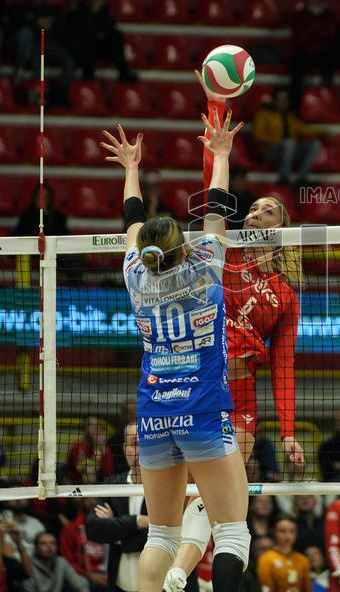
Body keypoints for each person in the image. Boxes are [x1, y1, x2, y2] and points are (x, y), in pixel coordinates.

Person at [102, 107, 251, 592]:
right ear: (182, 247)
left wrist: (130, 169)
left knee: (162, 534)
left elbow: (132, 221)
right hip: (203, 408)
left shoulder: (135, 276)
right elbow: (218, 207)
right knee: (231, 532)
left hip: (153, 412)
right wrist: (220, 153)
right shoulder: (205, 266)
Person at [168, 76, 307, 590]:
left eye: (266, 211)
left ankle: (196, 575)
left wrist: (289, 430)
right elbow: (214, 194)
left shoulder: (288, 294)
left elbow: (286, 364)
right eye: (252, 210)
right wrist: (216, 110)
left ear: (283, 227)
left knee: (226, 498)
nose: (254, 213)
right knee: (183, 496)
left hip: (243, 393)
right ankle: (180, 566)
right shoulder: (221, 258)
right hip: (201, 379)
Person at [86, 422, 149, 592]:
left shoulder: (168, 487)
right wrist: (137, 521)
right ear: (124, 448)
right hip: (119, 587)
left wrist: (118, 534)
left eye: (146, 444)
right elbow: (93, 528)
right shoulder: (112, 484)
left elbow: (165, 536)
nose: (140, 452)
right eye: (135, 444)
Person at [13, 0, 75, 107]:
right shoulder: (21, 9)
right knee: (38, 63)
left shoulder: (53, 9)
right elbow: (19, 25)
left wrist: (40, 23)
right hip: (34, 45)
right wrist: (38, 22)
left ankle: (61, 95)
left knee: (68, 61)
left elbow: (60, 28)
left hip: (50, 43)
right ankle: (39, 97)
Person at [251, 87, 323, 187]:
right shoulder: (264, 114)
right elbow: (258, 135)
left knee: (315, 144)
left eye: (285, 100)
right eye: (279, 100)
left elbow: (303, 130)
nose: (282, 102)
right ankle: (284, 177)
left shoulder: (289, 116)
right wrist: (279, 141)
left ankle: (302, 177)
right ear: (273, 101)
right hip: (270, 150)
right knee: (289, 142)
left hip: (289, 149)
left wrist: (325, 132)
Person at [65, 0, 136, 82]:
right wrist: (92, 14)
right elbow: (79, 30)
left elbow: (109, 28)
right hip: (82, 46)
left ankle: (124, 73)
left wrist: (97, 16)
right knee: (86, 45)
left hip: (100, 45)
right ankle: (88, 78)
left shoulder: (106, 10)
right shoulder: (78, 8)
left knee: (117, 37)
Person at [289, 0, 337, 111]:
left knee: (331, 57)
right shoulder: (299, 17)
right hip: (305, 53)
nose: (313, 1)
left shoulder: (329, 16)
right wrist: (317, 32)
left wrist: (312, 31)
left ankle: (329, 102)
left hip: (323, 53)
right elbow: (300, 37)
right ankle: (295, 108)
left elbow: (331, 34)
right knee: (296, 69)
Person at [257, 516, 311, 592]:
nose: (288, 536)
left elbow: (307, 588)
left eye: (292, 531)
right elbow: (266, 588)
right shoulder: (266, 558)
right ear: (274, 532)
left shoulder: (303, 559)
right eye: (282, 531)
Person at [24, 532, 90, 592]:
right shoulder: (29, 566)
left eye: (53, 543)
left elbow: (80, 583)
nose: (49, 547)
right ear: (36, 548)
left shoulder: (61, 562)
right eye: (43, 544)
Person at [65, 416, 115, 484]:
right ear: (85, 430)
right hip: (76, 485)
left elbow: (109, 474)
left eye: (97, 425)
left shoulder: (106, 449)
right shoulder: (77, 447)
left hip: (100, 486)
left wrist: (102, 449)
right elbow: (85, 474)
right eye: (92, 425)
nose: (96, 428)